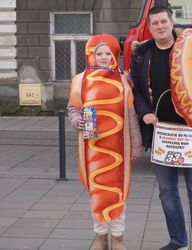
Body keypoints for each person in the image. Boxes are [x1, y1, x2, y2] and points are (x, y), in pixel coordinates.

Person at [130, 6, 192, 250]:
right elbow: (137, 90)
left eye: (163, 22)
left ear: (172, 23)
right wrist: (145, 112)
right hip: (163, 133)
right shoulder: (142, 53)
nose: (160, 26)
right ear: (149, 27)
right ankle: (178, 240)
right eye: (155, 23)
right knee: (167, 192)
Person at [67, 34, 143, 250]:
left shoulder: (123, 80)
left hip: (119, 146)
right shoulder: (80, 80)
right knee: (97, 191)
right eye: (98, 53)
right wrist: (76, 121)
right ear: (91, 54)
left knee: (118, 191)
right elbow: (73, 108)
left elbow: (131, 114)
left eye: (107, 53)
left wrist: (136, 144)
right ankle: (100, 237)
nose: (102, 57)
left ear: (114, 55)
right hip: (92, 148)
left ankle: (117, 237)